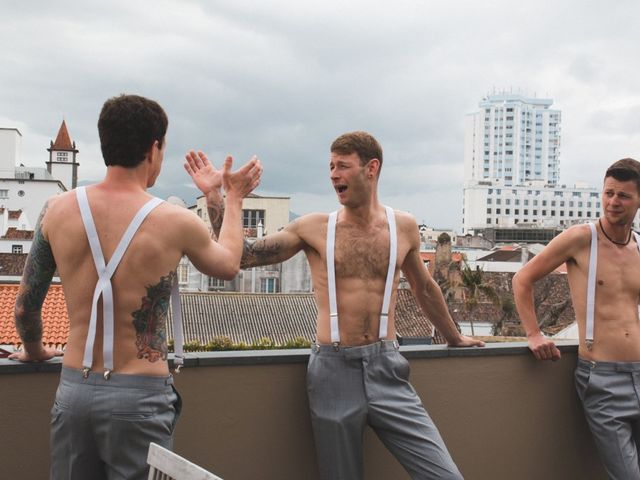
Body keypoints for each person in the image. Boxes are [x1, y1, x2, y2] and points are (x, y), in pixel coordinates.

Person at [185, 130, 483, 480]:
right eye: (330, 167)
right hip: (333, 371)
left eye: (342, 166)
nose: (333, 175)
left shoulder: (402, 226)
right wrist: (215, 197)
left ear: (371, 169)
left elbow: (424, 286)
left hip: (388, 367)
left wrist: (454, 337)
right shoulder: (313, 228)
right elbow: (243, 257)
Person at [10, 94, 262, 480]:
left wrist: (34, 350)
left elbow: (26, 308)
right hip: (140, 397)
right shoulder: (175, 221)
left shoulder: (56, 210)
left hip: (74, 392)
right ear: (153, 148)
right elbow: (229, 264)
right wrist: (232, 196)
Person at [512, 158, 640, 479]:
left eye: (623, 195)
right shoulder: (581, 238)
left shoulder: (639, 247)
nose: (613, 202)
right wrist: (533, 334)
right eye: (608, 193)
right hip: (603, 379)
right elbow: (522, 279)